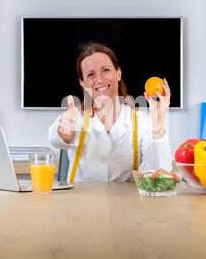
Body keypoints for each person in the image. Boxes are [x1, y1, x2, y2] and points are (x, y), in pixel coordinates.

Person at [48, 42, 172, 182]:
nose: (100, 79)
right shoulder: (75, 117)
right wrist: (65, 132)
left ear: (118, 74)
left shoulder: (142, 122)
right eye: (91, 75)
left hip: (127, 203)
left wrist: (158, 123)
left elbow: (160, 172)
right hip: (81, 203)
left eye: (105, 70)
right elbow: (55, 139)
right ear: (82, 84)